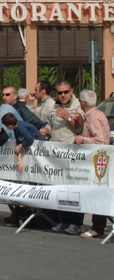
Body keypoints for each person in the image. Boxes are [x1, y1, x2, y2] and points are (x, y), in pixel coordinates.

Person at [40, 80, 85, 235]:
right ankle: (63, 221)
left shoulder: (77, 106)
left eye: (66, 92)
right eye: (60, 92)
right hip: (55, 152)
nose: (63, 95)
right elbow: (51, 125)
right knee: (58, 189)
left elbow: (80, 127)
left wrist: (67, 117)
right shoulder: (55, 106)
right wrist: (46, 130)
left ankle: (76, 222)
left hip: (71, 153)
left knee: (72, 190)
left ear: (72, 91)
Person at [73, 90, 111, 239]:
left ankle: (98, 227)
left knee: (98, 194)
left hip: (98, 163)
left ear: (83, 103)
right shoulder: (94, 116)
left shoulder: (94, 118)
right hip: (97, 162)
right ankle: (98, 226)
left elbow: (101, 141)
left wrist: (83, 140)